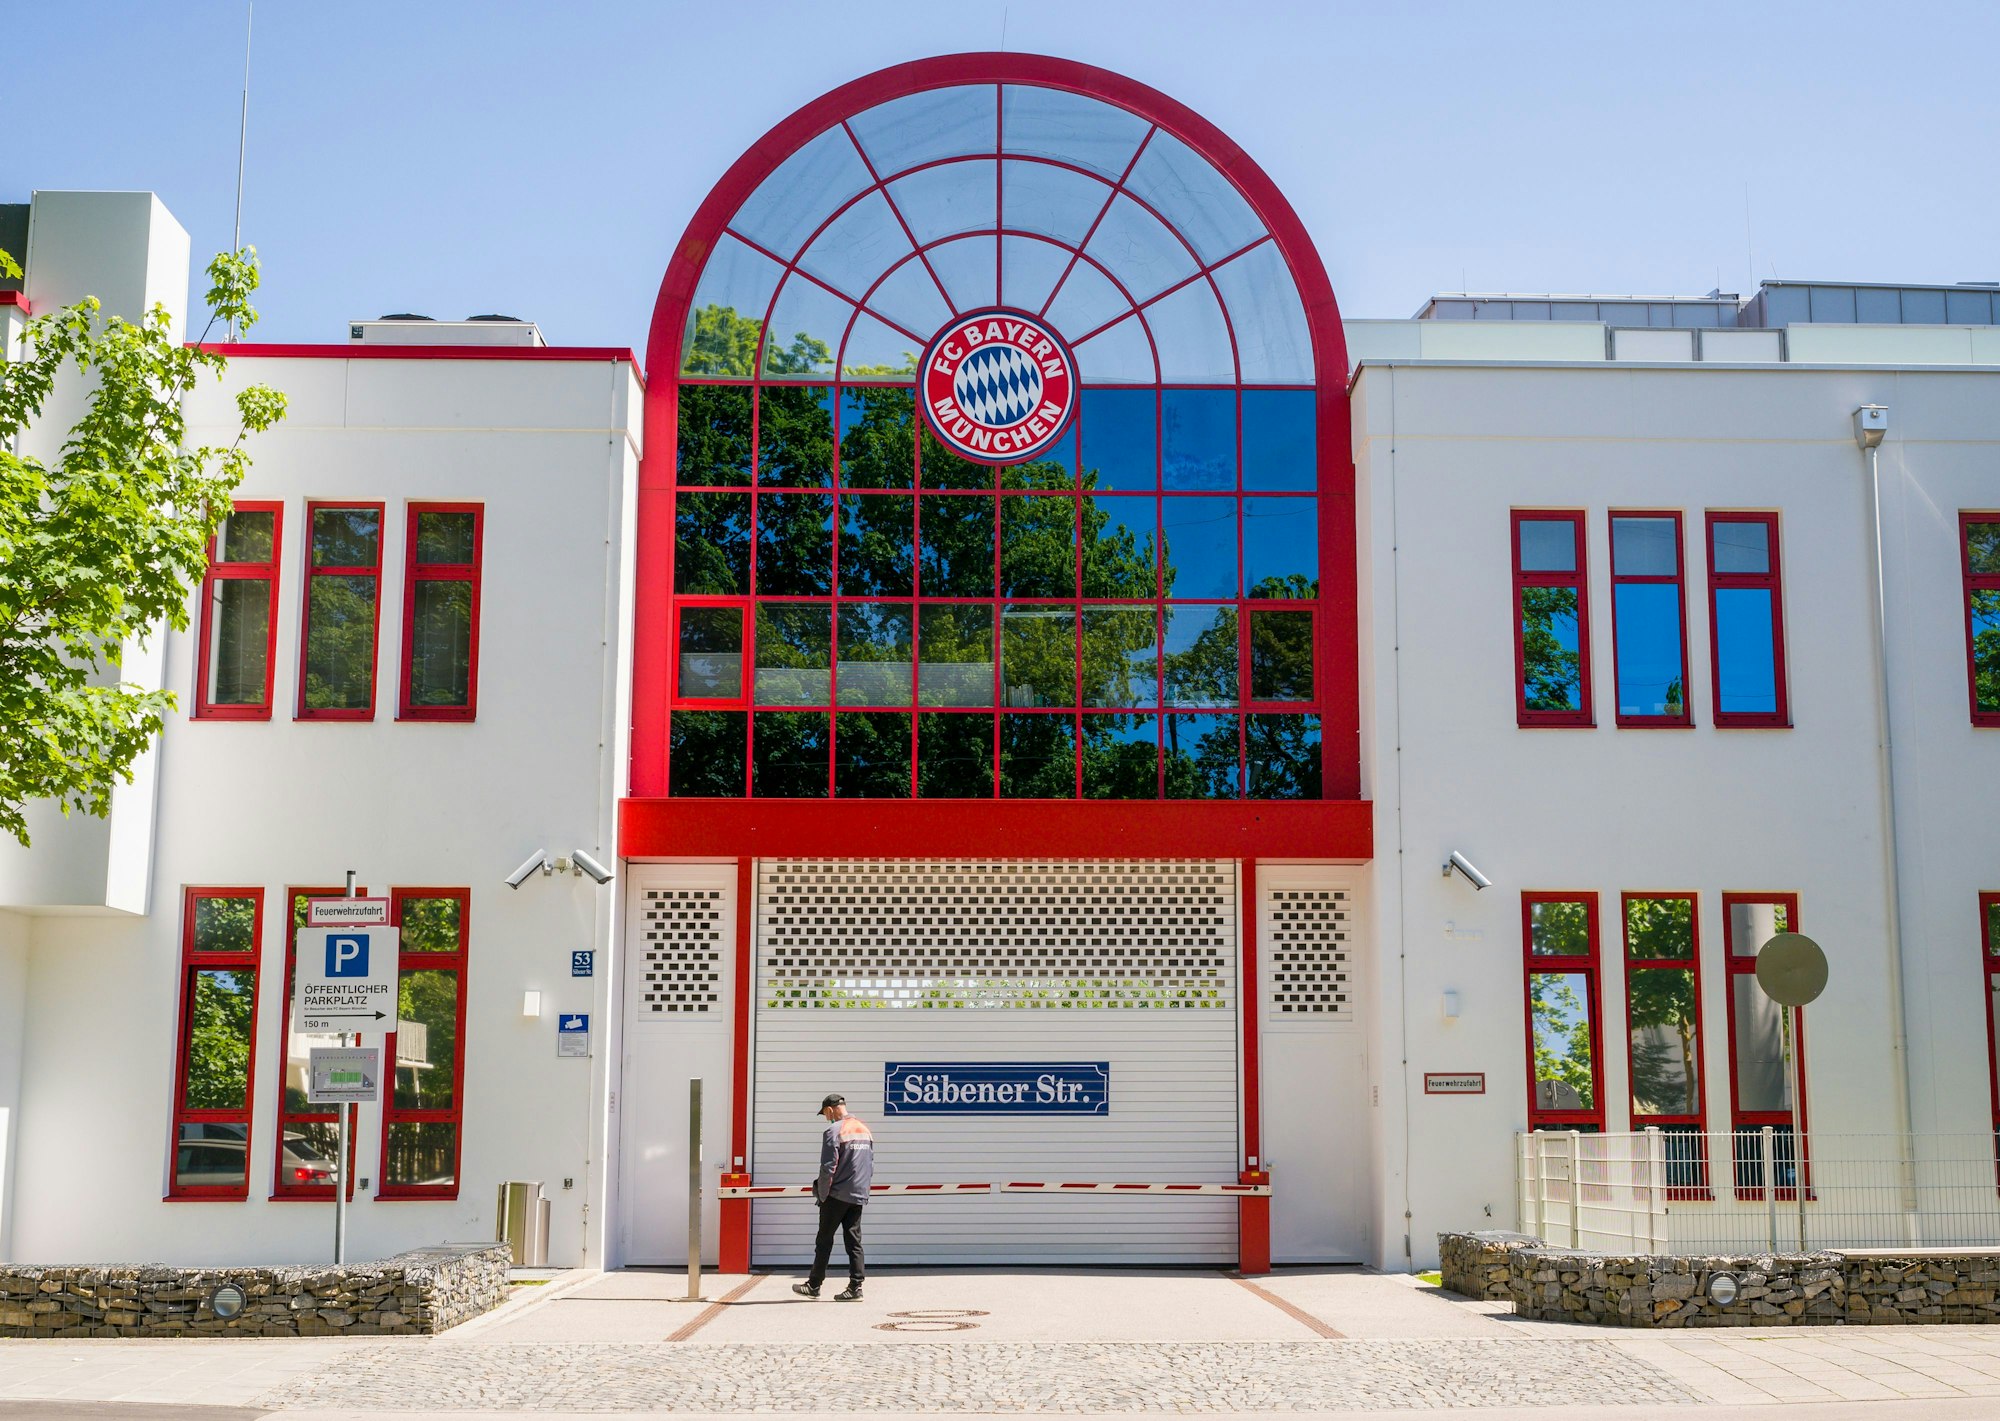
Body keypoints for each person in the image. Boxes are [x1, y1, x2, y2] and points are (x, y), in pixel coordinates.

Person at [792, 1092, 873, 1301]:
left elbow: (828, 1167)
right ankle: (856, 1287)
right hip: (858, 1193)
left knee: (824, 1240)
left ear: (830, 1110)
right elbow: (868, 1165)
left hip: (836, 1195)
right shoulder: (864, 1130)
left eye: (825, 1114)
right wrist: (863, 1190)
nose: (826, 1118)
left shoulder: (834, 1131)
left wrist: (822, 1194)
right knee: (854, 1241)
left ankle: (814, 1285)